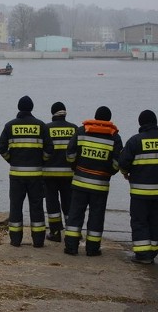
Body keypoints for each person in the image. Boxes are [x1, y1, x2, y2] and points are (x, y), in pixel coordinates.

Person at [64, 106, 122, 257]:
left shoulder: (82, 131)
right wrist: (108, 172)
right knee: (96, 216)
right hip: (100, 185)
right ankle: (92, 249)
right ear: (109, 120)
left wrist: (75, 167)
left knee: (75, 214)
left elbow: (70, 154)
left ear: (95, 118)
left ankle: (71, 247)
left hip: (79, 182)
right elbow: (117, 163)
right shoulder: (114, 136)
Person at [0, 95, 53, 248]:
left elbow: (1, 148)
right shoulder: (41, 126)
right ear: (31, 108)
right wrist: (41, 161)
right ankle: (38, 240)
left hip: (16, 175)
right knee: (36, 207)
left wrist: (10, 159)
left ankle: (15, 240)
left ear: (19, 108)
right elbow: (50, 149)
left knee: (16, 206)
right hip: (36, 175)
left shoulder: (10, 126)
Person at [118, 110, 158, 264]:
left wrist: (125, 173)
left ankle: (142, 255)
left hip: (140, 192)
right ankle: (153, 251)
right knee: (155, 221)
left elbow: (123, 163)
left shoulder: (135, 141)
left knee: (140, 221)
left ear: (141, 123)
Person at [42, 101, 78, 242]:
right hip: (69, 174)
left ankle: (55, 232)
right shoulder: (74, 129)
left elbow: (43, 150)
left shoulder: (46, 128)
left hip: (49, 174)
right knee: (69, 202)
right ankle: (71, 232)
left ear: (52, 113)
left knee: (52, 203)